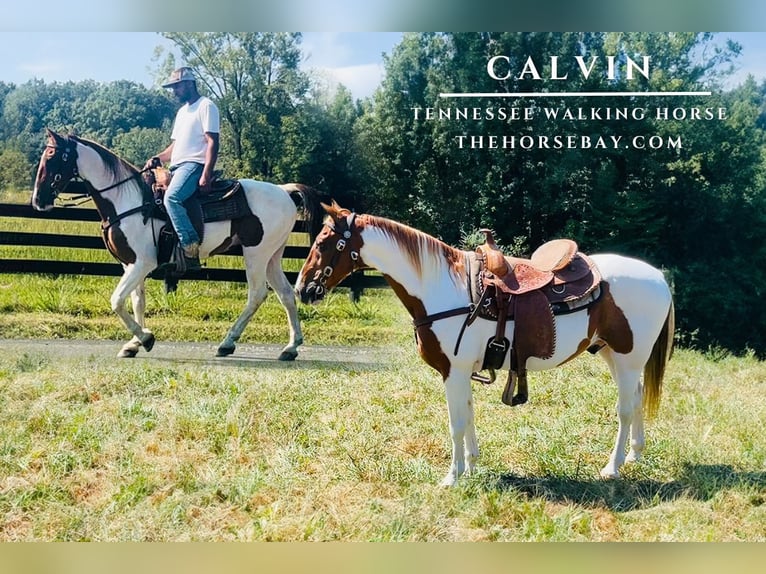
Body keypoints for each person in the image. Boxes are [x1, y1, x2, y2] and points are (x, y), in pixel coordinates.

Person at [146, 66, 220, 272]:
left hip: (194, 165)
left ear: (189, 84)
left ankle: (190, 249)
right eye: (173, 87)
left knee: (172, 198)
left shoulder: (206, 106)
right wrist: (156, 158)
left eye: (177, 86)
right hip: (176, 166)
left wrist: (206, 173)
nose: (174, 91)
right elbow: (174, 147)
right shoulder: (181, 112)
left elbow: (213, 141)